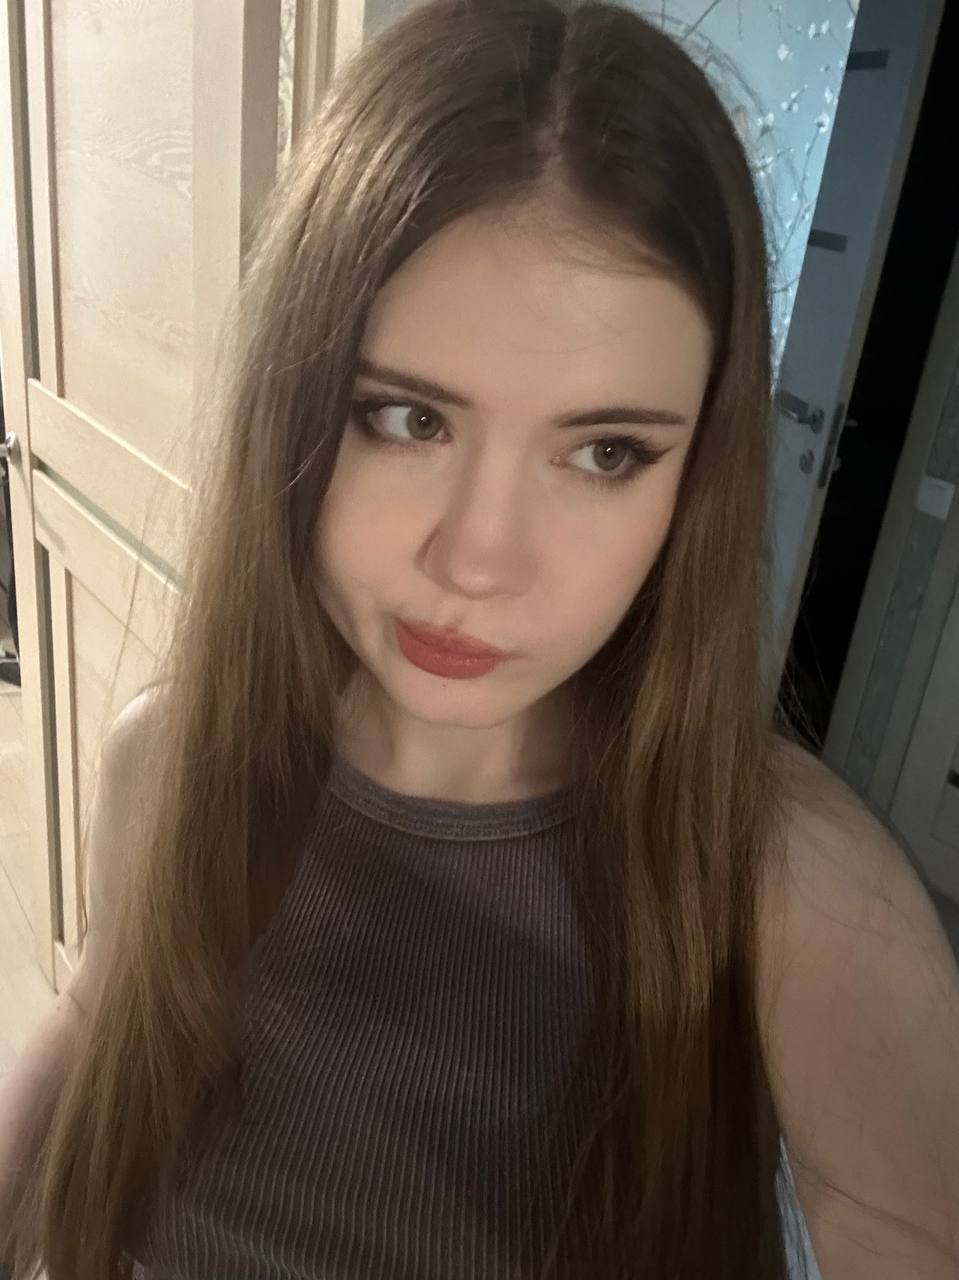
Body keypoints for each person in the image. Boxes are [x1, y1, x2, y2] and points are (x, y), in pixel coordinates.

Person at [2, 1, 958, 1277]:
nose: (477, 560)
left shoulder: (798, 896)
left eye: (604, 452)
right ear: (294, 409)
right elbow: (94, 1018)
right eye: (407, 420)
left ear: (697, 478)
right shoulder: (171, 758)